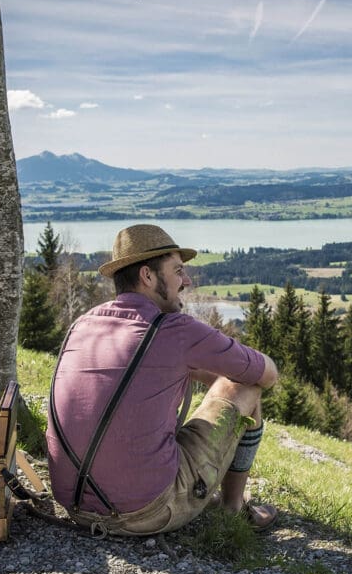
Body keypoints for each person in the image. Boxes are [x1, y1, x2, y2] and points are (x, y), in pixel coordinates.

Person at [46, 224, 279, 536]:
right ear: (147, 276)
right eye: (178, 270)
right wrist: (218, 371)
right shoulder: (175, 330)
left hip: (73, 505)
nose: (187, 281)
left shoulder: (82, 325)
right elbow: (266, 374)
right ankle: (232, 507)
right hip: (143, 513)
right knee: (246, 386)